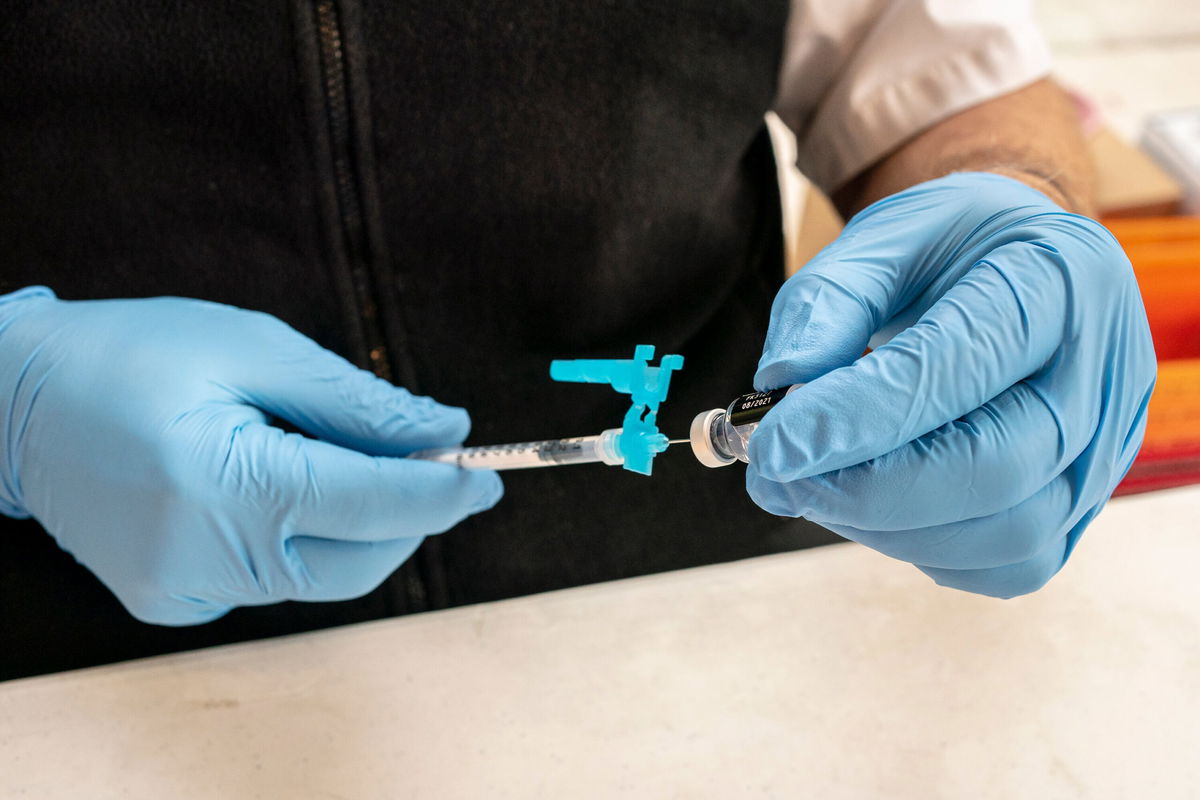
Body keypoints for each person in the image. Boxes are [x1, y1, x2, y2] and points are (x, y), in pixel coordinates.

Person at [0, 0, 1155, 679]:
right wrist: (14, 403)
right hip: (101, 678)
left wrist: (1017, 212)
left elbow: (940, 71)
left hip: (698, 641)